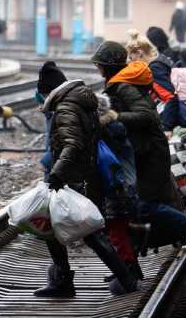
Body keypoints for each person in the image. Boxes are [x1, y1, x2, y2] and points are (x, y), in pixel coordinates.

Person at [91, 40, 186, 255]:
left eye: (99, 65)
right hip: (144, 151)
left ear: (108, 66)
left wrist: (116, 116)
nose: (97, 69)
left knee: (143, 205)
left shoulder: (124, 86)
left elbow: (147, 115)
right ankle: (131, 258)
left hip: (150, 152)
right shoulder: (120, 83)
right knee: (140, 205)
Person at [31, 61, 139, 298]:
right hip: (89, 176)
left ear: (47, 91)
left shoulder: (65, 108)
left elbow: (72, 144)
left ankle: (65, 282)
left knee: (54, 226)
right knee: (90, 233)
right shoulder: (82, 101)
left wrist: (57, 173)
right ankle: (125, 279)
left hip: (74, 178)